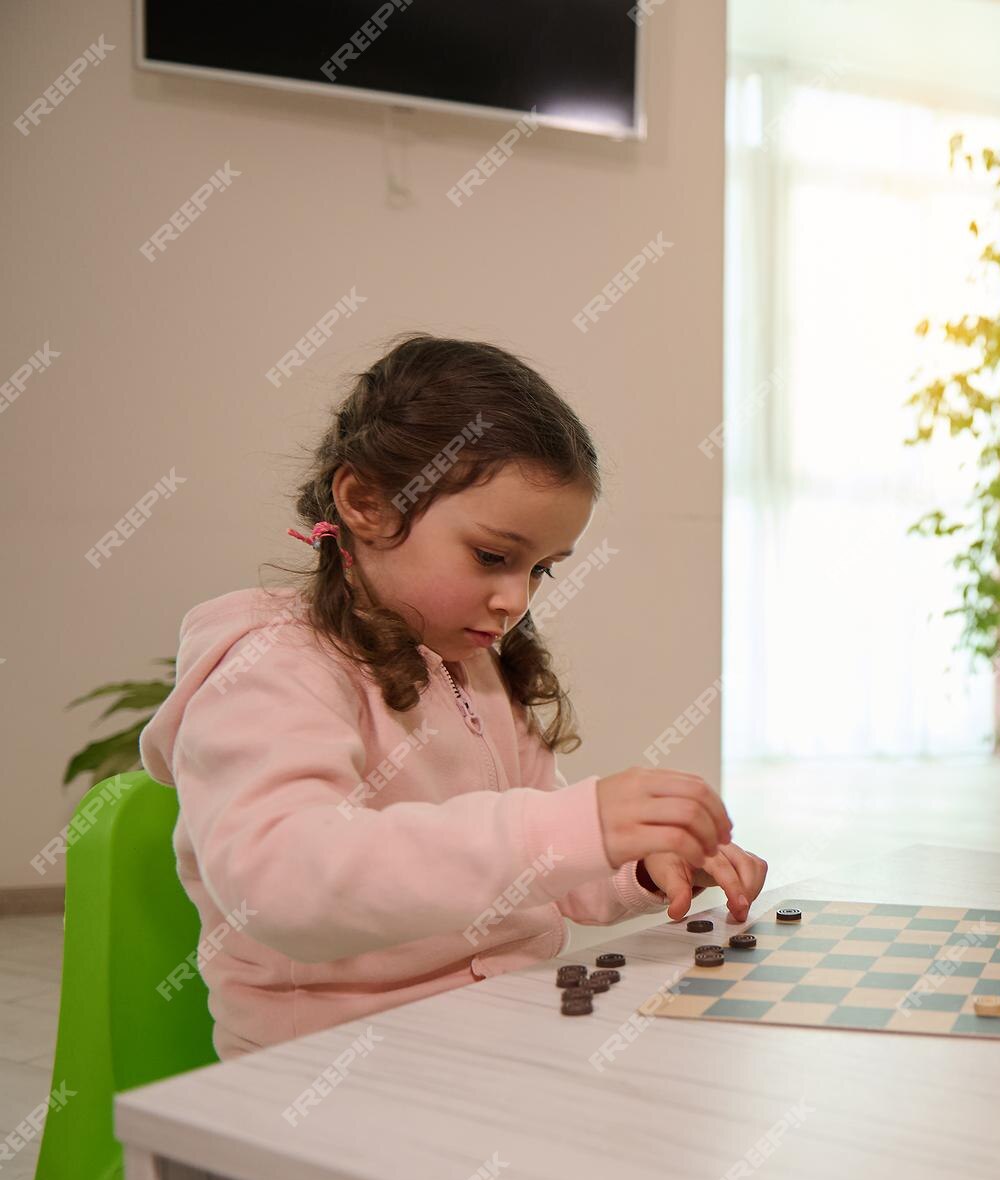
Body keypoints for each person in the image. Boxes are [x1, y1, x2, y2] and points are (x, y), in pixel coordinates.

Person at [139, 334, 765, 1057]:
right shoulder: (274, 667)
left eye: (542, 570)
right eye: (494, 556)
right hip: (328, 1070)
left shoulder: (474, 668)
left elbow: (541, 879)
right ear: (365, 502)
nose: (515, 600)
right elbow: (281, 883)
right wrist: (566, 825)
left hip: (500, 1036)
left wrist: (639, 867)